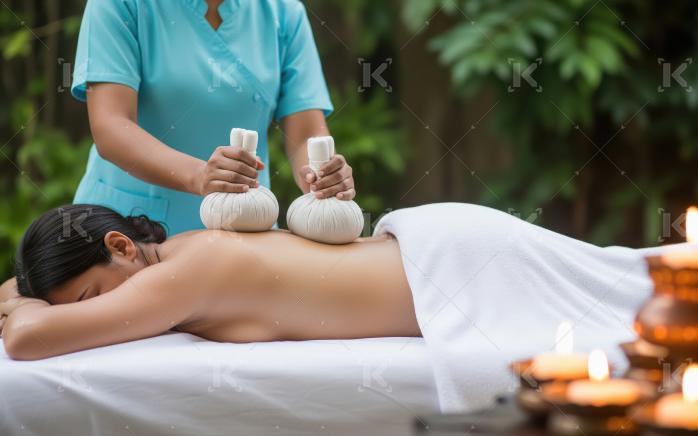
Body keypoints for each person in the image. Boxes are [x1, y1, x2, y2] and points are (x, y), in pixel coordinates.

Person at [71, 0, 355, 236]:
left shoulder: (283, 12)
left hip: (244, 229)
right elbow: (111, 125)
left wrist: (320, 174)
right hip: (128, 232)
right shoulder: (119, 5)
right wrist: (200, 176)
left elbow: (304, 134)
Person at [1, 204, 419, 360]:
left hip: (442, 267)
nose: (91, 313)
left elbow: (26, 337)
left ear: (121, 246)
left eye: (88, 298)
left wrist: (21, 306)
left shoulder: (185, 274)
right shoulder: (181, 249)